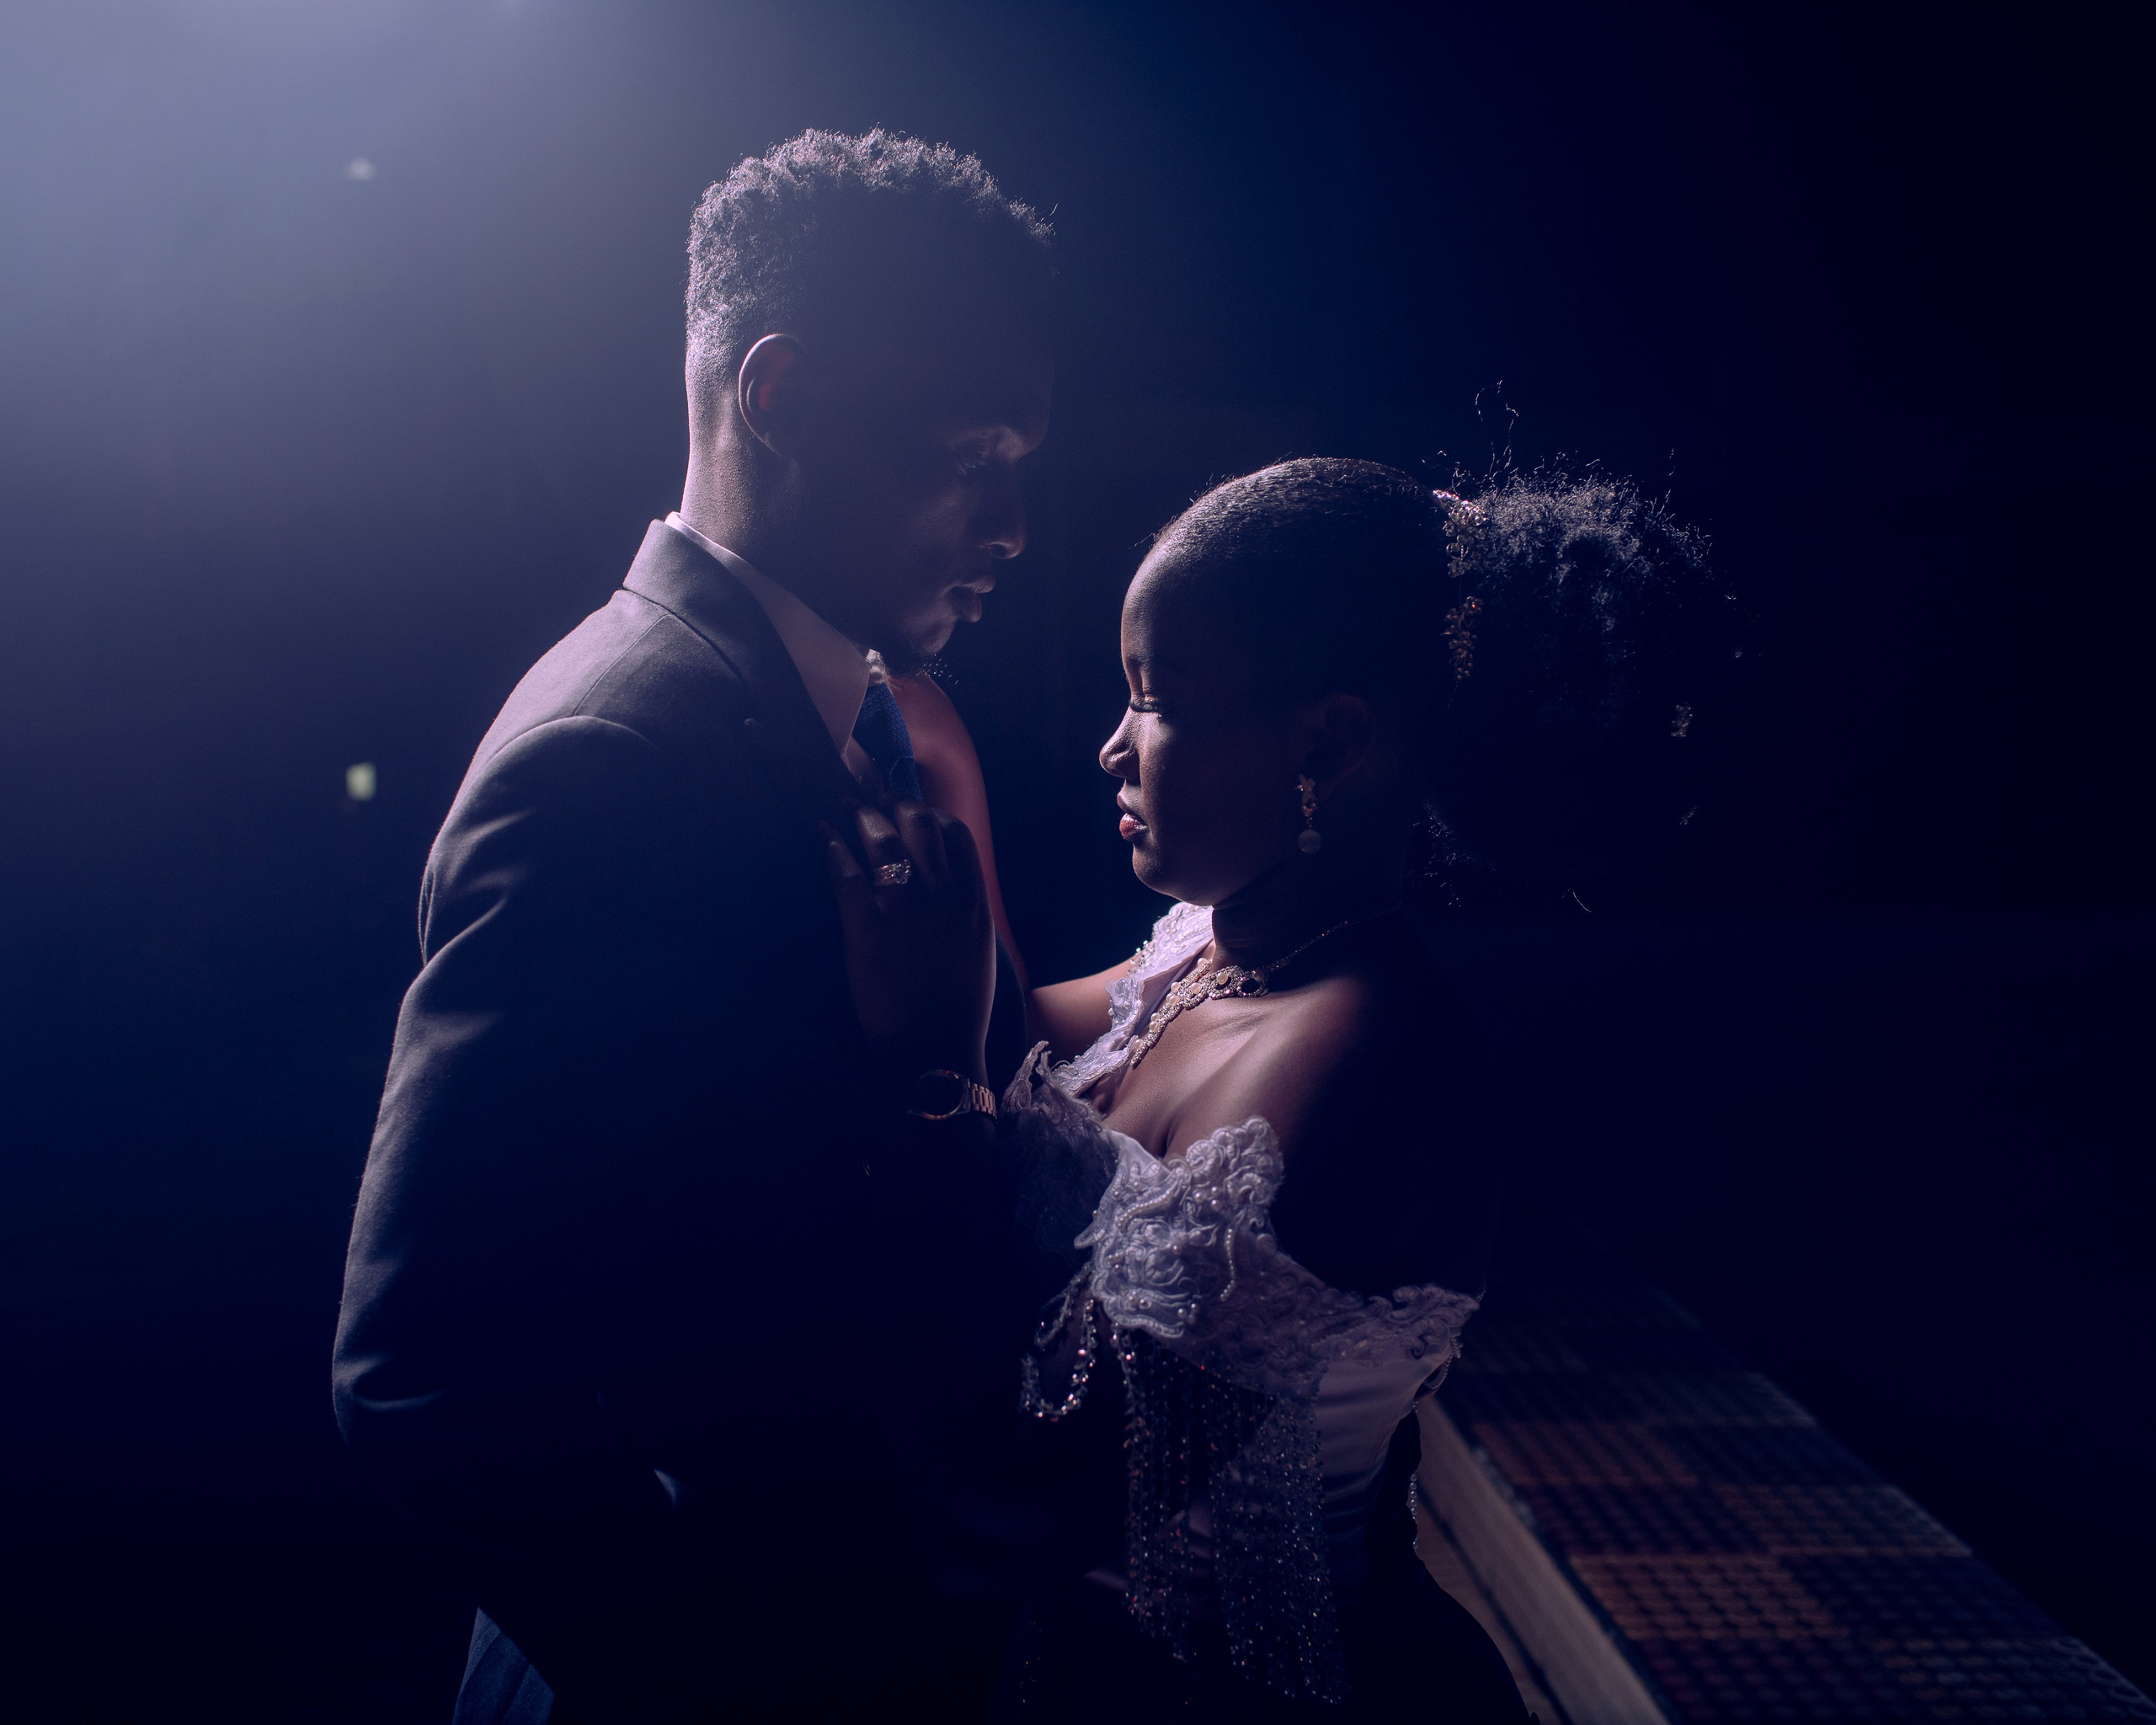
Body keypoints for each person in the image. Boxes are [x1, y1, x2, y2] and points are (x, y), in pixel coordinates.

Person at [332, 130, 1054, 1722]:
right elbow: (421, 1375)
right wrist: (733, 1670)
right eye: (973, 450)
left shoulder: (843, 709)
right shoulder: (619, 757)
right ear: (778, 396)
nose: (1012, 523)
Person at [835, 457, 1736, 1720]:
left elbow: (1015, 1512)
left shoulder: (1355, 1061)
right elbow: (1003, 1042)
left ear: (1329, 742)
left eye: (1154, 699)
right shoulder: (1205, 951)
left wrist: (927, 1084)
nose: (1111, 745)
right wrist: (939, 768)